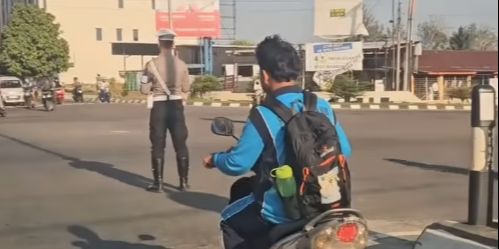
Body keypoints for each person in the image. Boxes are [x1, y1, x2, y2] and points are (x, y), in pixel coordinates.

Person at [203, 35, 352, 249]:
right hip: (329, 204)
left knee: (229, 219)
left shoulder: (264, 114)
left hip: (282, 211)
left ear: (264, 75)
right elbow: (344, 150)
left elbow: (239, 164)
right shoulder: (320, 105)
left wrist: (215, 159)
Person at [140, 29, 191, 192]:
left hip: (159, 107)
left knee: (157, 145)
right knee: (181, 144)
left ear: (159, 43)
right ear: (173, 43)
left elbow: (144, 89)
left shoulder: (151, 65)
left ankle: (158, 183)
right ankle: (183, 182)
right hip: (177, 106)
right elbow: (186, 88)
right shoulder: (182, 65)